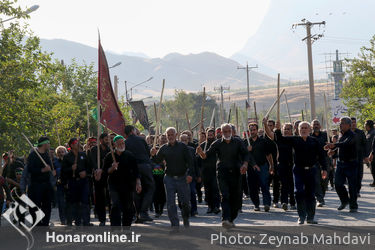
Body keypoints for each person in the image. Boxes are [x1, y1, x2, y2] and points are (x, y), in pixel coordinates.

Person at [263, 118, 328, 225]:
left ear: (310, 129)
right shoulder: (294, 140)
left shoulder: (315, 141)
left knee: (310, 195)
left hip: (312, 171)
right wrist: (275, 128)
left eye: (306, 128)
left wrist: (324, 169)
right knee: (299, 192)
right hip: (298, 170)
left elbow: (322, 157)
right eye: (301, 128)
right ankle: (301, 216)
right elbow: (276, 138)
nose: (303, 129)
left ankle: (310, 217)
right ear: (297, 130)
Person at [197, 123, 253, 229]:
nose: (227, 133)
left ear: (231, 132)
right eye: (225, 132)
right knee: (225, 195)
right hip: (222, 173)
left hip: (236, 172)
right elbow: (205, 156)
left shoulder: (238, 142)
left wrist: (245, 164)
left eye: (229, 131)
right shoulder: (217, 143)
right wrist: (200, 152)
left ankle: (231, 219)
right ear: (221, 133)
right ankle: (225, 219)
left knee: (235, 197)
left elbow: (246, 154)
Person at [151, 127, 194, 230]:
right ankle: (174, 225)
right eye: (168, 135)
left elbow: (190, 162)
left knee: (185, 202)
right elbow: (157, 160)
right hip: (169, 178)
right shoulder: (163, 148)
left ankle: (185, 218)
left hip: (182, 177)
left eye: (172, 134)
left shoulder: (183, 147)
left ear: (176, 135)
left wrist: (190, 174)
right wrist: (153, 155)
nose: (170, 137)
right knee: (170, 203)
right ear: (166, 136)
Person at [103, 135, 141, 227]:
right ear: (114, 144)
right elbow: (105, 171)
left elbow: (136, 171)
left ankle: (126, 227)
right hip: (114, 185)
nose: (121, 145)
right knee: (115, 205)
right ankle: (115, 227)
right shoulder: (109, 156)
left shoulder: (130, 155)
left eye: (123, 143)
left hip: (128, 185)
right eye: (119, 143)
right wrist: (112, 168)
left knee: (128, 207)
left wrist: (138, 183)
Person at [325, 117, 358, 213]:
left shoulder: (352, 135)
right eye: (340, 123)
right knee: (338, 184)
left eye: (343, 123)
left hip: (351, 164)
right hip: (341, 163)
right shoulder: (340, 135)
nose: (340, 125)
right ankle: (344, 201)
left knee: (352, 186)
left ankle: (353, 205)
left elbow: (345, 144)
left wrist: (334, 145)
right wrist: (333, 152)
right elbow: (340, 147)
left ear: (349, 125)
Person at [124, 125, 155, 223]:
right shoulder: (141, 140)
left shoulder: (125, 143)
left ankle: (139, 215)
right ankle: (143, 212)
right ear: (133, 131)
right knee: (150, 188)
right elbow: (148, 153)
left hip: (132, 169)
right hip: (144, 166)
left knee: (136, 191)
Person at [62, 138, 90, 226]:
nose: (77, 144)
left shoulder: (83, 155)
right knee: (74, 202)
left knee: (85, 201)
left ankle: (86, 221)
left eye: (78, 142)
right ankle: (76, 221)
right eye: (75, 143)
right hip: (73, 181)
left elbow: (89, 167)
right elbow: (63, 171)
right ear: (71, 145)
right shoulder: (67, 157)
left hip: (83, 181)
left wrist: (85, 173)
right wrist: (71, 169)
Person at [27, 136, 55, 226]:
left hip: (46, 184)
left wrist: (52, 172)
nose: (49, 145)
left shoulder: (47, 155)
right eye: (48, 143)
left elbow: (50, 168)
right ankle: (37, 223)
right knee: (35, 205)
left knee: (47, 205)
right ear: (44, 144)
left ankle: (45, 223)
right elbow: (30, 169)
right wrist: (42, 170)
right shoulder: (33, 155)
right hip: (36, 185)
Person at [247, 122, 274, 212]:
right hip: (251, 168)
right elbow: (244, 156)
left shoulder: (263, 141)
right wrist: (247, 150)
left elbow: (269, 155)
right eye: (251, 130)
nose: (252, 131)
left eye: (254, 130)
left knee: (264, 185)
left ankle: (266, 204)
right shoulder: (246, 142)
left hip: (262, 166)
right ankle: (256, 204)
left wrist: (271, 165)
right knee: (253, 187)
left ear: (257, 130)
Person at [88, 133, 110, 226]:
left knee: (109, 197)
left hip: (108, 176)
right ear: (100, 140)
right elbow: (92, 161)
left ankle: (113, 217)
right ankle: (102, 219)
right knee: (100, 197)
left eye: (108, 139)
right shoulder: (94, 150)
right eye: (106, 139)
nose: (108, 141)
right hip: (98, 176)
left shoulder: (110, 150)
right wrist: (97, 170)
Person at [198, 128, 220, 214]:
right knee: (208, 190)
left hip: (216, 170)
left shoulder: (217, 144)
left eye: (211, 135)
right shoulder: (202, 145)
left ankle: (216, 206)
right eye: (208, 135)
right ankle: (210, 207)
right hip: (206, 171)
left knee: (215, 189)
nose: (210, 137)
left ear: (214, 135)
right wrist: (198, 152)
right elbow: (198, 159)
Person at [274, 121, 296, 211]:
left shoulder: (295, 139)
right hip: (282, 165)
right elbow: (273, 133)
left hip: (294, 165)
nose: (286, 131)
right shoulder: (280, 139)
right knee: (284, 184)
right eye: (285, 129)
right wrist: (277, 127)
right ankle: (284, 202)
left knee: (292, 185)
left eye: (288, 129)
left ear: (292, 130)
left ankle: (293, 203)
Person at [180, 134, 200, 217]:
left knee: (192, 192)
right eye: (182, 140)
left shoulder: (192, 150)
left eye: (185, 140)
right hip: (180, 176)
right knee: (181, 194)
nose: (184, 142)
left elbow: (195, 164)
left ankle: (194, 210)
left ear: (188, 141)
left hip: (191, 175)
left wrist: (198, 175)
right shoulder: (177, 150)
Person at [310, 119, 329, 207]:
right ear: (311, 126)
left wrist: (331, 148)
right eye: (314, 124)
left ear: (320, 126)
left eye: (317, 124)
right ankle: (320, 199)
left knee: (324, 180)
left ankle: (321, 196)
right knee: (316, 180)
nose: (316, 126)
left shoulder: (325, 135)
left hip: (325, 160)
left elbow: (331, 146)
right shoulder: (309, 136)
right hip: (314, 161)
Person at [350, 117, 366, 196]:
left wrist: (365, 156)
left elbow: (365, 144)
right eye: (352, 122)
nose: (353, 124)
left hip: (359, 157)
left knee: (359, 174)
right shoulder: (345, 133)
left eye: (354, 122)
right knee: (350, 175)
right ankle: (352, 190)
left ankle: (357, 190)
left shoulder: (360, 132)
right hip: (349, 158)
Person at [54, 146, 67, 225]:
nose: (61, 154)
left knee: (69, 202)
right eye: (59, 152)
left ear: (65, 152)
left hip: (69, 184)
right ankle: (63, 219)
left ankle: (69, 218)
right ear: (57, 154)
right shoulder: (54, 163)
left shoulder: (69, 161)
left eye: (62, 152)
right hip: (59, 185)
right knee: (61, 203)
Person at [364, 120, 375, 186]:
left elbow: (373, 145)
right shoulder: (368, 132)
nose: (364, 126)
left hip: (373, 154)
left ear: (368, 125)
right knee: (372, 168)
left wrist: (372, 153)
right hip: (370, 153)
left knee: (373, 169)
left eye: (365, 124)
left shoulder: (373, 133)